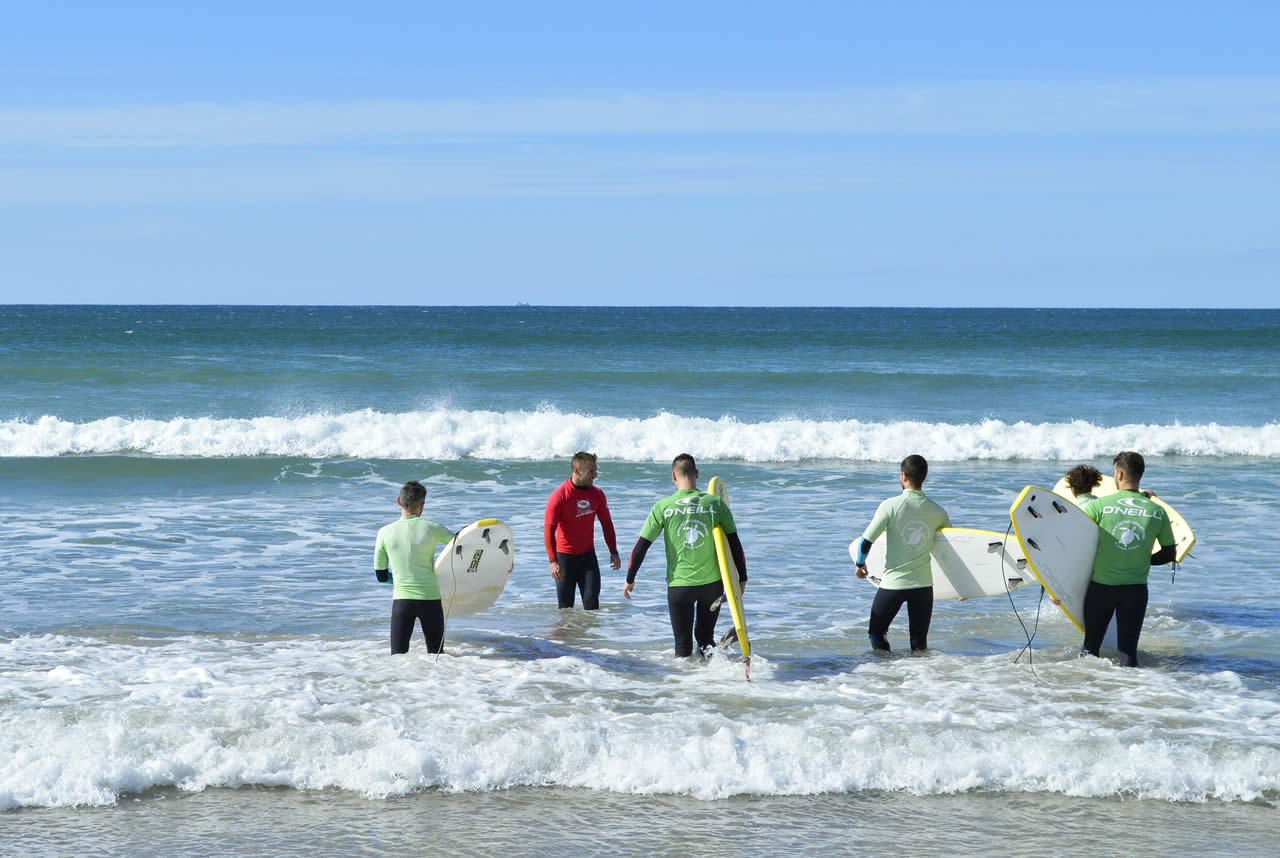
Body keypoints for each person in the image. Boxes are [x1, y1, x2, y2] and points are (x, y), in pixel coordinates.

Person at [623, 453, 747, 658]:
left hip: (679, 586)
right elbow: (735, 544)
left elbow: (641, 547)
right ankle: (712, 681)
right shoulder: (715, 503)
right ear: (697, 474)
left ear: (674, 476)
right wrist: (742, 577)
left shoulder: (662, 507)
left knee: (682, 644)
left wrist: (630, 578)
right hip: (712, 586)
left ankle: (683, 687)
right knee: (706, 639)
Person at [1080, 451, 1176, 667]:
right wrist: (1141, 558)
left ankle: (1084, 694)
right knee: (1128, 652)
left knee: (1090, 649)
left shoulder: (1100, 506)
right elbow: (1170, 554)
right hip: (1136, 590)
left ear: (1119, 473)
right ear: (1140, 475)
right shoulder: (1156, 511)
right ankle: (1131, 695)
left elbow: (1079, 542)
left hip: (1101, 589)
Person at [853, 454, 951, 652]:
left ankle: (887, 671)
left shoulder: (890, 506)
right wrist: (961, 587)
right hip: (924, 586)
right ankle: (918, 678)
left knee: (876, 631)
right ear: (924, 477)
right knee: (919, 643)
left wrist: (860, 565)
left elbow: (865, 542)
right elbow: (949, 550)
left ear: (903, 476)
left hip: (894, 584)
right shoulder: (937, 511)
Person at [373, 480, 455, 655]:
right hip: (431, 601)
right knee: (436, 656)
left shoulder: (384, 532)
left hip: (402, 601)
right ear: (422, 505)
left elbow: (380, 575)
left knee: (397, 657)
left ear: (398, 501)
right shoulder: (433, 528)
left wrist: (400, 579)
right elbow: (463, 544)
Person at [543, 451, 621, 610]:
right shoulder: (559, 496)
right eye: (591, 471)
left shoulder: (597, 494)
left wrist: (613, 551)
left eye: (596, 470)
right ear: (577, 470)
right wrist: (553, 561)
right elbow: (549, 531)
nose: (595, 475)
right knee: (565, 608)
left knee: (592, 603)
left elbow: (607, 524)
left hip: (588, 558)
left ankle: (590, 635)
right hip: (565, 558)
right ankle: (566, 635)